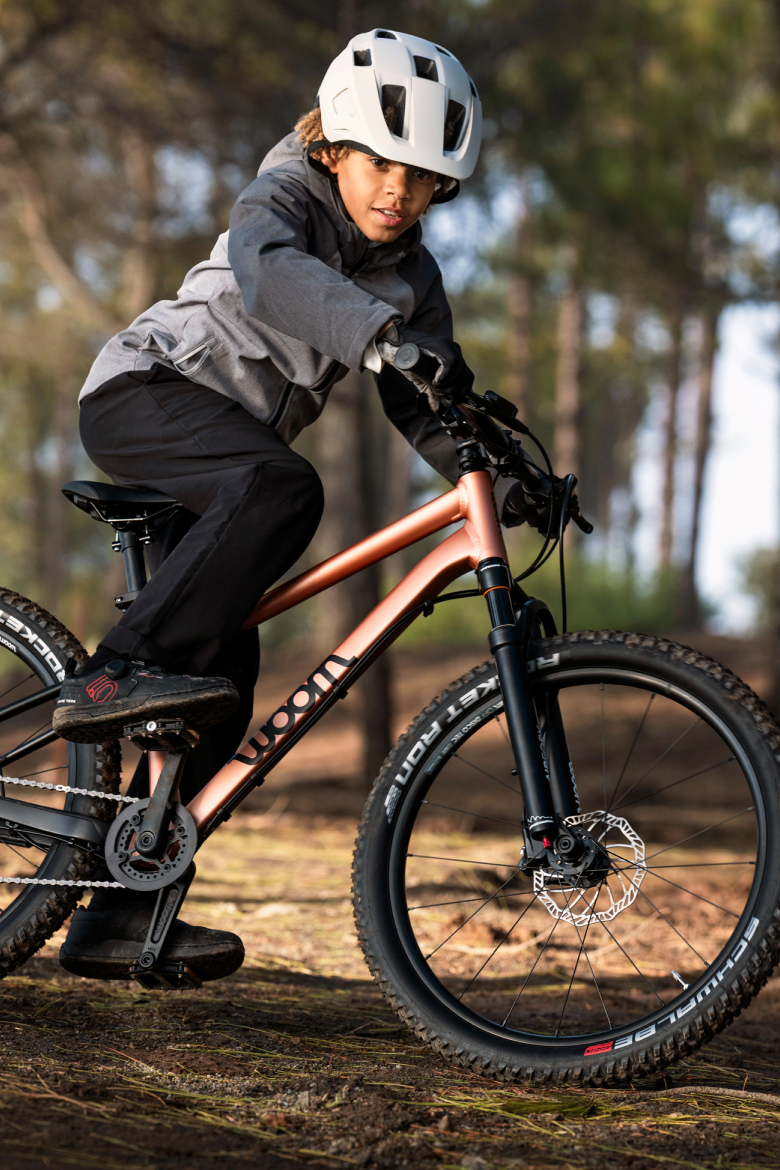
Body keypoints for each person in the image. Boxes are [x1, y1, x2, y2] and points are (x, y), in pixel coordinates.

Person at [56, 29, 543, 983]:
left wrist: (506, 471)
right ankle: (113, 675)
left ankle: (116, 921)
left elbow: (429, 398)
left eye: (421, 178)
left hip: (227, 462)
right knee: (286, 486)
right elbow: (271, 268)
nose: (396, 192)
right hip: (145, 393)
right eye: (378, 163)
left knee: (227, 677)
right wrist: (377, 335)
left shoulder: (413, 275)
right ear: (333, 146)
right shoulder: (282, 192)